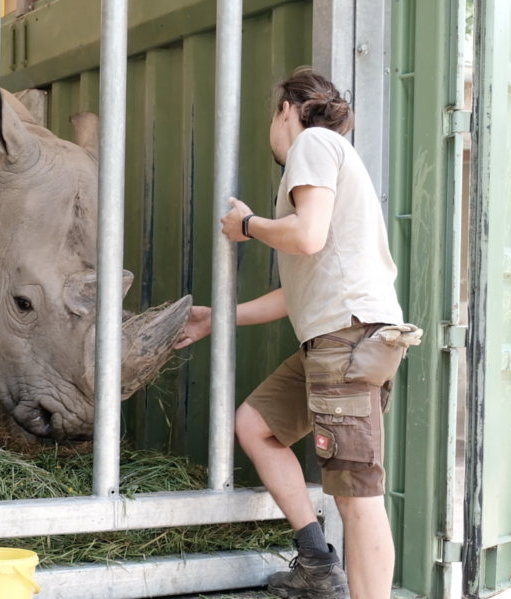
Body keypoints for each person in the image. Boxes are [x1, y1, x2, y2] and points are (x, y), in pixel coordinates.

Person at [175, 67, 416, 599]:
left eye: (271, 113)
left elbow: (305, 237)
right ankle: (316, 560)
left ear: (288, 107)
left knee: (357, 496)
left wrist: (249, 226)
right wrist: (220, 317)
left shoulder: (312, 142)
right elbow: (301, 291)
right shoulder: (329, 157)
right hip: (335, 339)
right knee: (255, 425)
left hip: (346, 342)